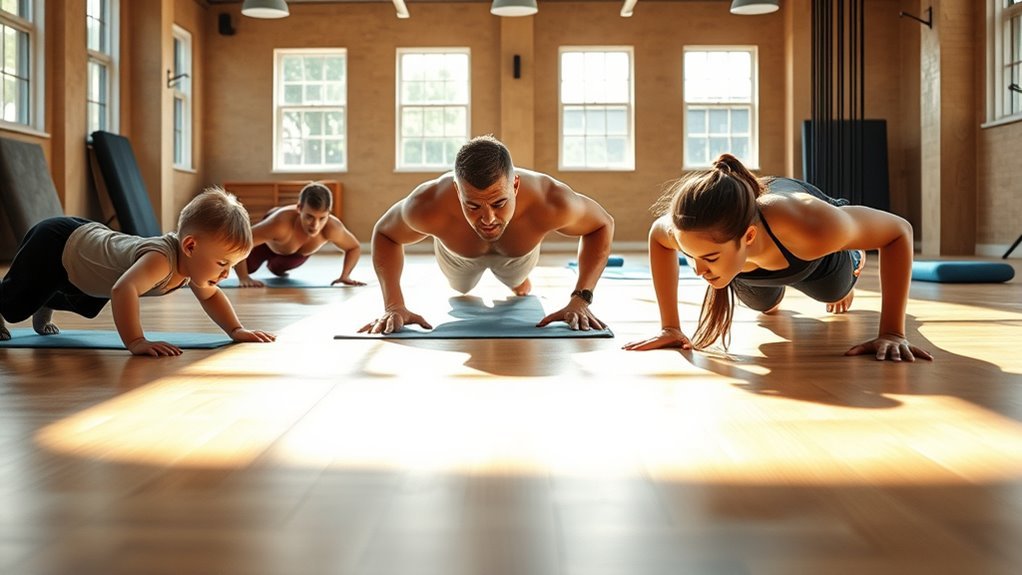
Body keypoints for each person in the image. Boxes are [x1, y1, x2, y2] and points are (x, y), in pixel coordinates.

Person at [623, 153, 932, 362]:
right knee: (765, 308)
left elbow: (898, 231)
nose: (698, 271)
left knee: (833, 293)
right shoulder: (693, 232)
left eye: (710, 257)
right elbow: (657, 236)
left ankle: (853, 257)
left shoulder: (813, 226)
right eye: (691, 256)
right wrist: (670, 327)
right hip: (752, 263)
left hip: (817, 260)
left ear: (748, 237)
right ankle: (759, 285)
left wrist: (892, 331)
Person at [359, 135, 615, 334]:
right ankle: (509, 280)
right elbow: (385, 234)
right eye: (473, 206)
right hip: (457, 258)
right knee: (461, 288)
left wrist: (581, 299)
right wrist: (394, 305)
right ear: (458, 192)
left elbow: (601, 224)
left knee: (516, 277)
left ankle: (516, 281)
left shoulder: (552, 200)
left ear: (515, 185)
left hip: (519, 257)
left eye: (499, 203)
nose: (488, 219)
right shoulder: (427, 204)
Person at [0, 187, 276, 356]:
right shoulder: (161, 259)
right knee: (14, 307)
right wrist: (136, 341)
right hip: (59, 242)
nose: (227, 273)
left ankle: (45, 298)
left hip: (83, 261)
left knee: (86, 303)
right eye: (222, 263)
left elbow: (210, 296)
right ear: (190, 245)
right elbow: (124, 289)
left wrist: (235, 329)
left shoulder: (192, 264)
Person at [233, 182, 365, 287]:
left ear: (329, 214)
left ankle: (274, 265)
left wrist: (345, 276)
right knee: (248, 268)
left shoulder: (332, 228)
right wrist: (243, 277)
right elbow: (240, 242)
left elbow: (353, 248)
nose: (315, 225)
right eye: (309, 217)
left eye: (322, 218)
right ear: (299, 208)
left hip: (292, 257)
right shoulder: (280, 224)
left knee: (277, 270)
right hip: (266, 243)